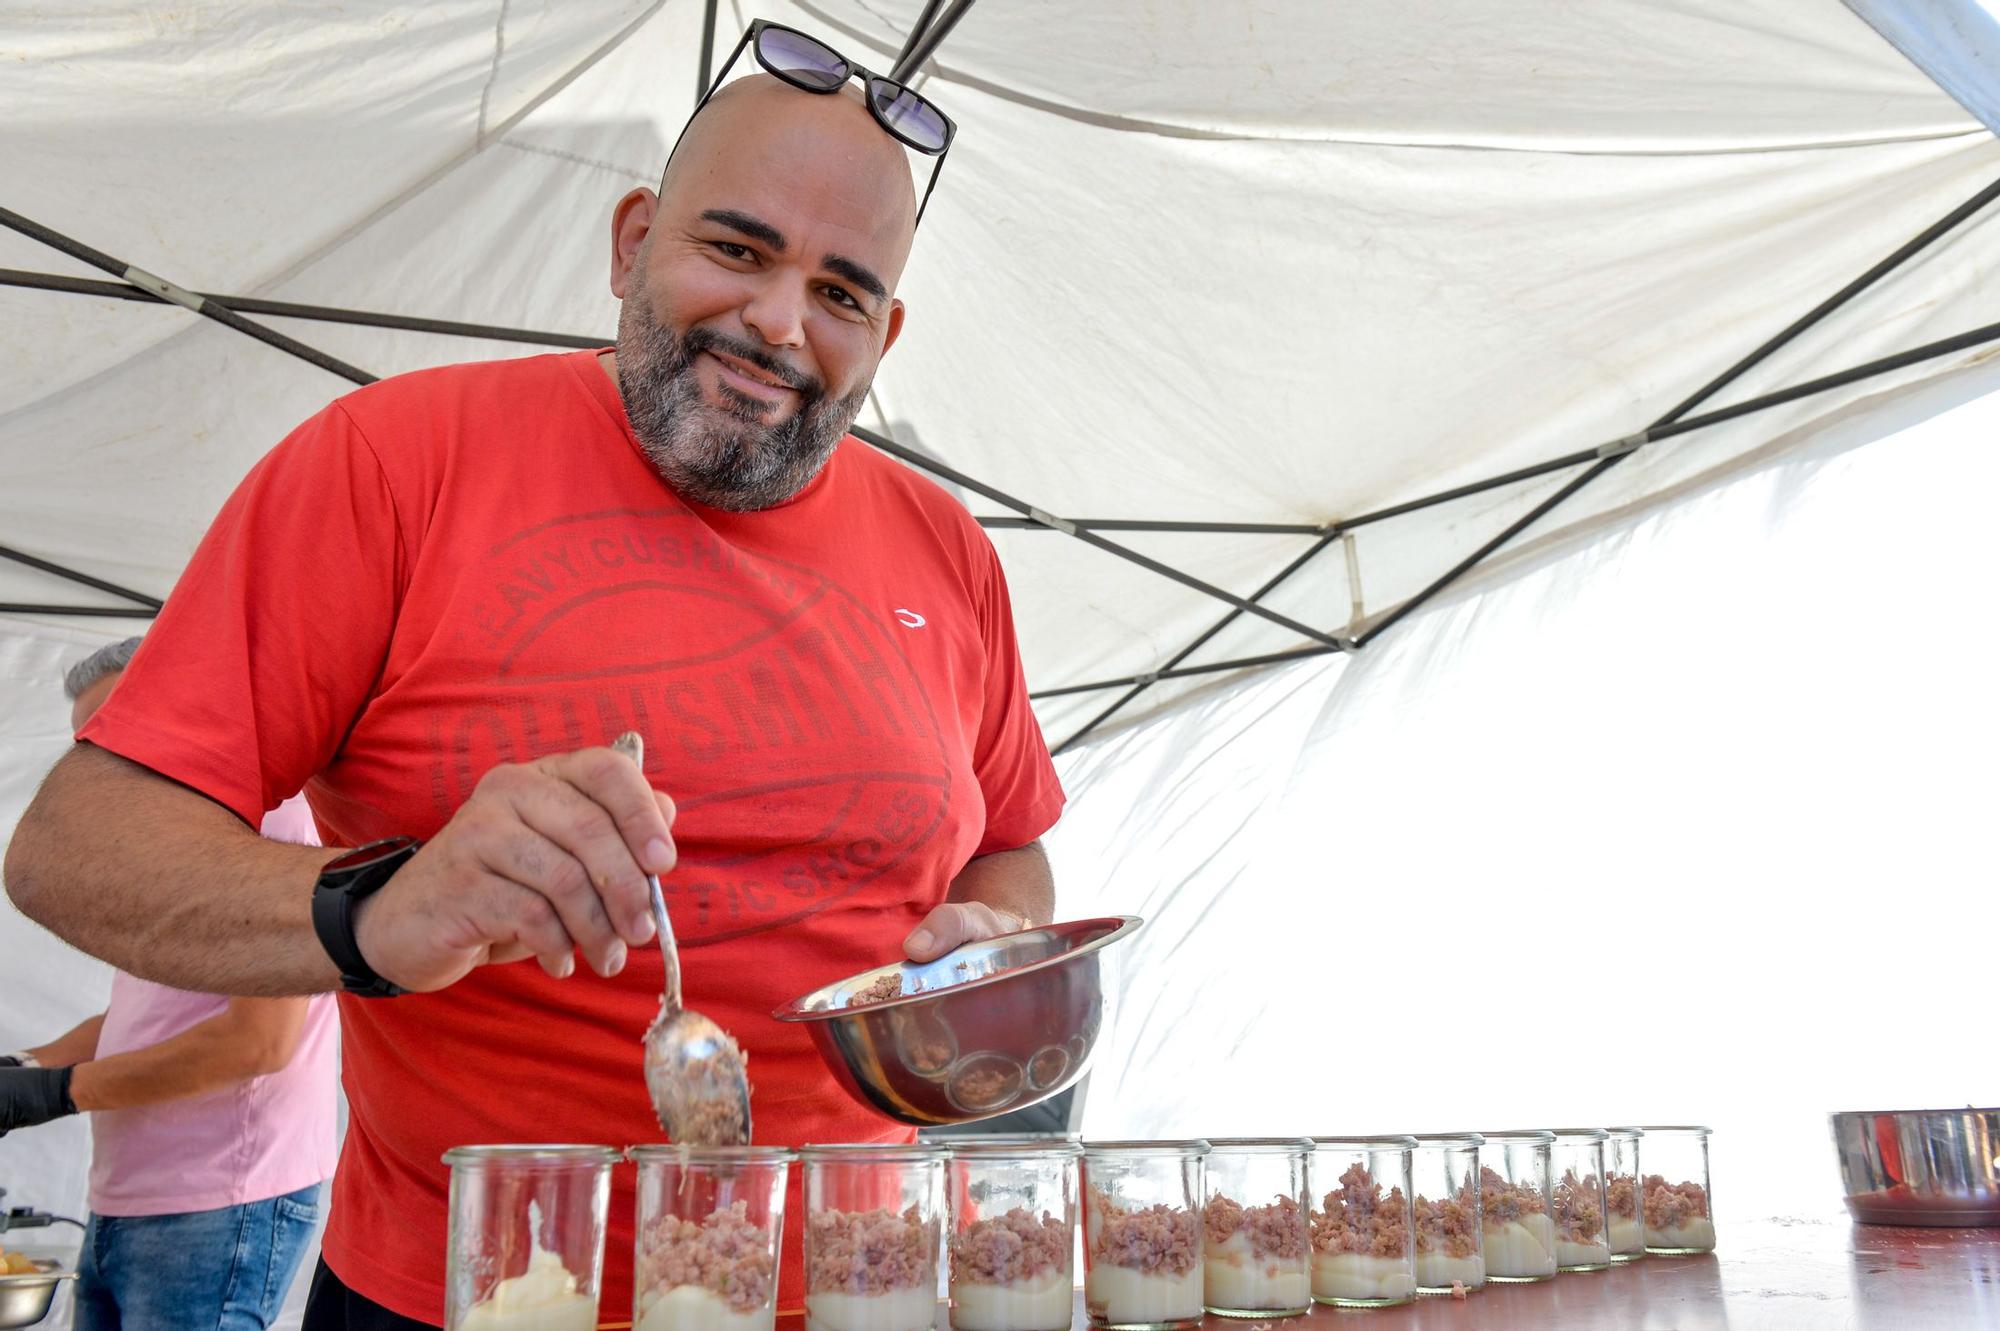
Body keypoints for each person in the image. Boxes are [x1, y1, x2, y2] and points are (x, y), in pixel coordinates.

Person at [5, 34, 1063, 1331]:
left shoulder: (947, 548)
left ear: (883, 334)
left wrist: (990, 943)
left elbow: (1008, 844)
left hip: (862, 1288)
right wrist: (379, 904)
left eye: (841, 292)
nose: (781, 322)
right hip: (470, 1293)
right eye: (737, 250)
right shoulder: (394, 462)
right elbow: (74, 846)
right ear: (632, 242)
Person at [0, 637, 337, 1330]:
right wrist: (25, 1067)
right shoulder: (165, 843)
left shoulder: (269, 820)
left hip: (217, 1203)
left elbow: (258, 1042)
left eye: (111, 736)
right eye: (85, 748)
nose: (98, 770)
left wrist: (59, 1091)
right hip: (131, 1198)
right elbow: (144, 1015)